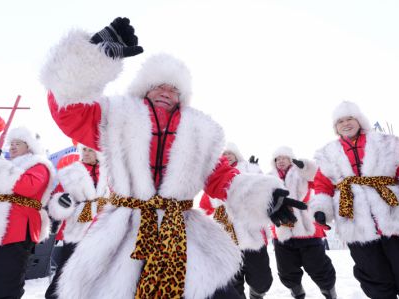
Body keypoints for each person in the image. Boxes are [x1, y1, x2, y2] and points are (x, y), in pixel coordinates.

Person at [40, 17, 306, 299]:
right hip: (124, 230)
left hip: (181, 230)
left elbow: (221, 176)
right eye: (159, 85)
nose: (166, 92)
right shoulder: (115, 115)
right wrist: (93, 55)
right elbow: (67, 108)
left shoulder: (200, 131)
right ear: (145, 88)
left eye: (174, 89)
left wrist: (263, 196)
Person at [310, 101, 399, 299]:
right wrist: (321, 209)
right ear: (335, 127)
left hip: (395, 219)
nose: (346, 123)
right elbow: (322, 185)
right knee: (375, 281)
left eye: (350, 118)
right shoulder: (327, 154)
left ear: (360, 120)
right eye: (340, 121)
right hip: (356, 224)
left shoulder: (386, 142)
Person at [0, 127, 55, 299]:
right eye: (11, 144)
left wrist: (0, 167)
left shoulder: (39, 164)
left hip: (17, 229)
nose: (12, 147)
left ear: (30, 146)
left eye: (18, 143)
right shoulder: (8, 166)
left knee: (6, 284)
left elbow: (27, 187)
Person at [200, 142, 272, 299]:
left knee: (262, 280)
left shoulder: (248, 170)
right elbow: (204, 207)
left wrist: (256, 171)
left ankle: (257, 293)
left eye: (230, 153)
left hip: (251, 232)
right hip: (227, 238)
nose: (227, 156)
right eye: (223, 154)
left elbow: (263, 190)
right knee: (233, 282)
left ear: (237, 154)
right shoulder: (212, 179)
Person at [268, 146, 336, 299]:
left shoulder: (301, 173)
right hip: (282, 228)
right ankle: (297, 293)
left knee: (318, 266)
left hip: (306, 227)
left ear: (290, 159)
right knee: (286, 269)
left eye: (284, 158)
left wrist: (307, 167)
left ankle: (329, 292)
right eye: (277, 159)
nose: (281, 161)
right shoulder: (269, 178)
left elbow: (316, 178)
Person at [45, 145, 110, 299]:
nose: (86, 154)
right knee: (67, 264)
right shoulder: (70, 172)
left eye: (90, 150)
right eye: (84, 150)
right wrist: (62, 202)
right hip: (78, 224)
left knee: (94, 266)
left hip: (101, 225)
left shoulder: (108, 174)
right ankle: (54, 295)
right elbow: (57, 196)